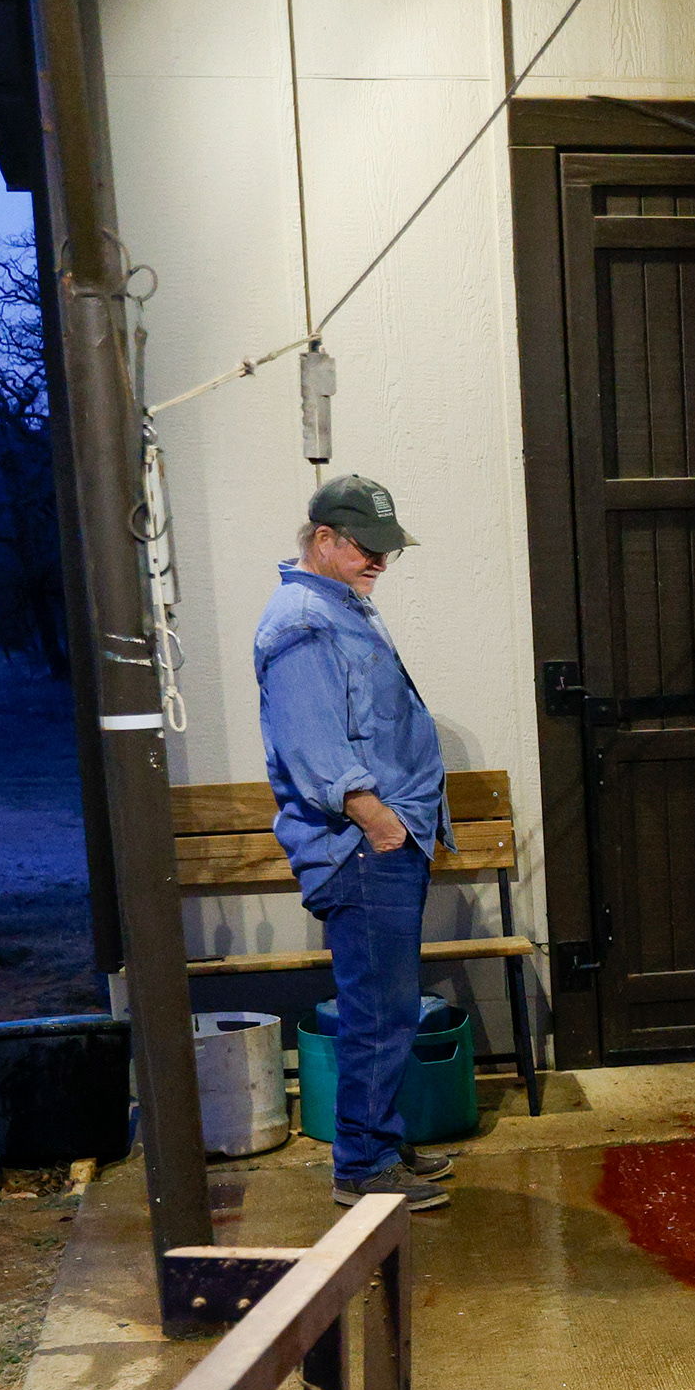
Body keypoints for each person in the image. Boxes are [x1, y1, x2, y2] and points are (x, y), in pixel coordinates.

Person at [257, 473, 453, 1209]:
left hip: (381, 845)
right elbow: (316, 752)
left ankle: (381, 1138)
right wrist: (382, 824)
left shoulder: (341, 607)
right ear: (324, 540)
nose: (379, 561)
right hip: (363, 849)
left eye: (387, 550)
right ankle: (364, 1167)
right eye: (366, 548)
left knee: (389, 1007)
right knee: (377, 1008)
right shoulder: (302, 623)